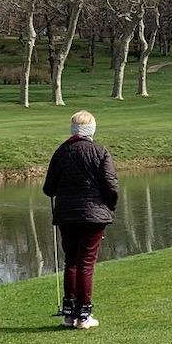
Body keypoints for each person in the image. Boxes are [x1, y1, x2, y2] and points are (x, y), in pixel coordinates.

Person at [43, 110, 120, 329]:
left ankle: (69, 315)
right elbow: (111, 186)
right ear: (91, 130)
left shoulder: (61, 151)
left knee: (72, 261)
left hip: (67, 215)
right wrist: (109, 208)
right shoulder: (99, 151)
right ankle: (84, 316)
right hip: (94, 216)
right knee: (86, 263)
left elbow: (49, 189)